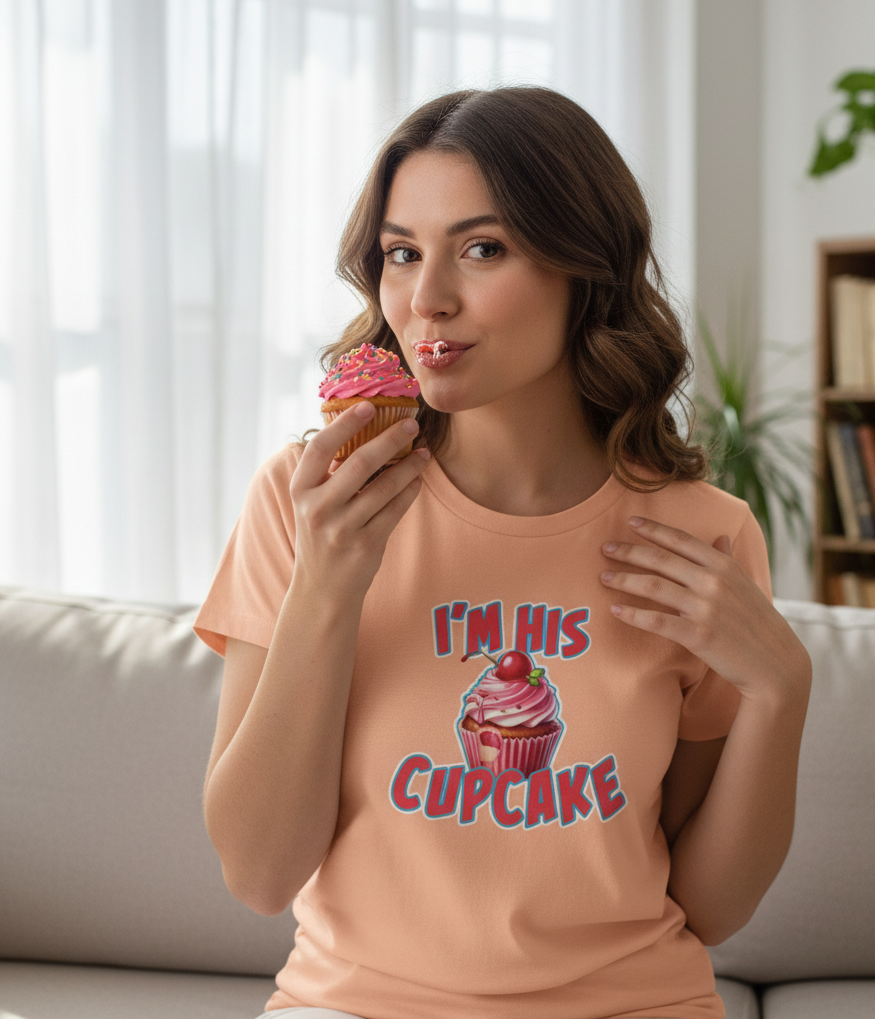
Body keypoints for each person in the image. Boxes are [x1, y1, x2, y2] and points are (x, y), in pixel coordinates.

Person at [195, 86, 812, 1019]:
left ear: (585, 268)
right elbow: (257, 872)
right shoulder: (308, 504)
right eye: (401, 255)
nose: (427, 299)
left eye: (482, 249)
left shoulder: (703, 535)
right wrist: (328, 588)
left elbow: (712, 910)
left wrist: (782, 691)